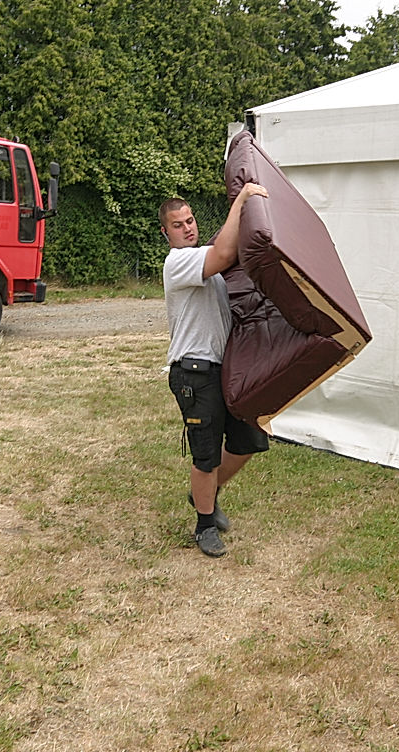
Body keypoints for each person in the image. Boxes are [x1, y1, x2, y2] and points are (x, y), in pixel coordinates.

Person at [160, 182, 270, 557]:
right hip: (194, 373)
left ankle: (203, 493)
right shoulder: (178, 263)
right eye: (178, 225)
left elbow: (228, 248)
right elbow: (224, 251)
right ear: (166, 232)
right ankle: (204, 526)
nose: (187, 228)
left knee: (249, 441)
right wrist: (243, 198)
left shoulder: (205, 263)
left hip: (223, 371)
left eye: (190, 221)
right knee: (205, 456)